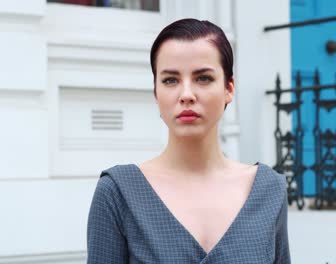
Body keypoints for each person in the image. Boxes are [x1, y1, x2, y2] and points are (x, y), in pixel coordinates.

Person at [87, 18, 290, 263]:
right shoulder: (118, 193)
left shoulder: (269, 190)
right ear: (155, 92)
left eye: (203, 78)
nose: (186, 95)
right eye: (170, 80)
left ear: (229, 88)